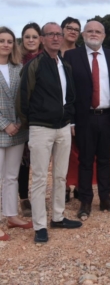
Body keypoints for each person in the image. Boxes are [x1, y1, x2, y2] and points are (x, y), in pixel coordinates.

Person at [17, 22, 82, 244]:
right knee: (39, 178)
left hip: (63, 128)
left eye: (58, 34)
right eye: (50, 34)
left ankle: (58, 216)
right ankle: (40, 226)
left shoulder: (65, 65)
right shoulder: (33, 66)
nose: (55, 37)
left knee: (60, 175)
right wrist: (32, 124)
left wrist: (69, 119)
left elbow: (70, 97)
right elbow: (23, 99)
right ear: (43, 39)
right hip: (40, 128)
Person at [64, 21, 110, 219]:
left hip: (107, 116)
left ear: (104, 35)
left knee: (105, 159)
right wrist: (71, 120)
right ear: (83, 34)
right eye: (90, 31)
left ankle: (106, 199)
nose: (94, 34)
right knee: (85, 160)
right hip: (84, 118)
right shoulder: (71, 56)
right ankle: (86, 201)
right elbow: (68, 91)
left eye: (98, 31)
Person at [0, 27, 32, 241]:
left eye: (10, 41)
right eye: (2, 40)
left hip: (18, 130)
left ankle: (11, 215)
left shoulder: (18, 68)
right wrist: (4, 124)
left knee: (11, 176)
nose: (5, 44)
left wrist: (20, 122)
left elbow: (23, 98)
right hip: (2, 129)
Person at [59, 16, 88, 202]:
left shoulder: (82, 53)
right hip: (56, 110)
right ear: (62, 30)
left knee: (79, 151)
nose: (72, 31)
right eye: (69, 28)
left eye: (76, 29)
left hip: (79, 110)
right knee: (61, 152)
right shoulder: (53, 52)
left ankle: (78, 184)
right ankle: (62, 188)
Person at [17, 23, 44, 217]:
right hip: (20, 120)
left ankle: (39, 197)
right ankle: (24, 199)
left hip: (41, 119)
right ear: (23, 39)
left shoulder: (47, 60)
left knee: (40, 162)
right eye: (28, 37)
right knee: (22, 162)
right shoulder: (16, 62)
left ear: (40, 39)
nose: (31, 40)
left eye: (35, 36)